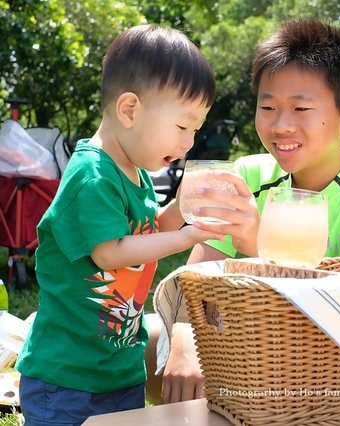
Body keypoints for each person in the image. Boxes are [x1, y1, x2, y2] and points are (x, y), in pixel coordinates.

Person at [145, 17, 340, 405]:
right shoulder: (248, 173)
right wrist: (184, 341)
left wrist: (254, 241)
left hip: (331, 364)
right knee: (130, 341)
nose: (281, 126)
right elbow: (196, 280)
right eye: (268, 107)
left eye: (301, 108)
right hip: (241, 340)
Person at [16, 24, 218, 425]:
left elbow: (144, 232)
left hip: (117, 369)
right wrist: (183, 237)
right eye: (182, 127)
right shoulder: (93, 174)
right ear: (129, 110)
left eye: (195, 130)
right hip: (68, 376)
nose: (189, 143)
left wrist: (182, 207)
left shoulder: (136, 172)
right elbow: (110, 251)